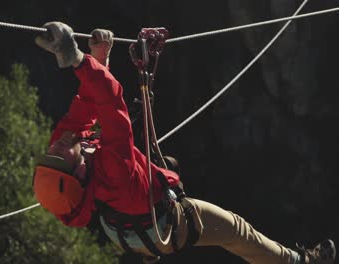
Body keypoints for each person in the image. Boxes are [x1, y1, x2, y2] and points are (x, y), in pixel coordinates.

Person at [32, 21, 336, 264]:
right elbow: (111, 105)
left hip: (130, 227)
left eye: (49, 155)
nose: (55, 146)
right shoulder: (114, 172)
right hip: (167, 225)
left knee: (169, 170)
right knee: (237, 231)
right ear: (79, 173)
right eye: (59, 156)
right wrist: (76, 60)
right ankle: (298, 262)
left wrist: (96, 61)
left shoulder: (72, 149)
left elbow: (88, 103)